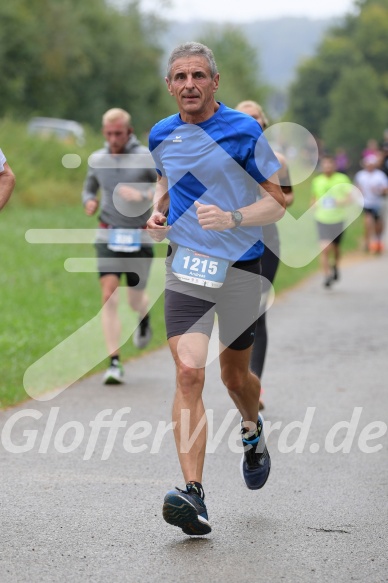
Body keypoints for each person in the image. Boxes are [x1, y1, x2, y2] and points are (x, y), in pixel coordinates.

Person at [147, 42, 286, 536]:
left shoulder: (245, 131)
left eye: (198, 76)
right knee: (188, 373)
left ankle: (252, 430)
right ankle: (193, 495)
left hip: (242, 267)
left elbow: (280, 200)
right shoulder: (161, 133)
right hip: (187, 264)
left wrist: (232, 217)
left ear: (215, 82)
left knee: (234, 377)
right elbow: (165, 179)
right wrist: (158, 210)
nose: (189, 85)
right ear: (169, 85)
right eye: (180, 76)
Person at [82, 108, 156, 384]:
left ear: (129, 131)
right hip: (108, 236)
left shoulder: (145, 157)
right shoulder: (98, 159)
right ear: (104, 133)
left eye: (119, 134)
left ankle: (143, 314)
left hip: (139, 235)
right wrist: (88, 201)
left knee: (134, 298)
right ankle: (114, 361)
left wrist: (142, 194)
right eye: (109, 134)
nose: (114, 139)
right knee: (108, 296)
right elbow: (88, 188)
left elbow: (165, 188)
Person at [235, 100, 294, 409]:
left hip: (267, 242)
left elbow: (289, 196)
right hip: (235, 241)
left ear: (264, 123)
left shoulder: (278, 160)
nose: (251, 123)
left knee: (258, 312)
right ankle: (240, 379)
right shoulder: (226, 157)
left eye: (256, 118)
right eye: (244, 118)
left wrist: (269, 197)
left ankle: (253, 384)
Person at [311, 155, 352, 287]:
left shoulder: (342, 179)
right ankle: (327, 275)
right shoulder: (317, 181)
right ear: (322, 166)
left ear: (334, 166)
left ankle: (335, 266)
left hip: (338, 219)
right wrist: (313, 206)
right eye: (325, 164)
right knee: (324, 248)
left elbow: (350, 198)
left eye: (330, 164)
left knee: (336, 248)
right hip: (322, 218)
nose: (327, 167)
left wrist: (339, 201)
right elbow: (314, 198)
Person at [354, 154, 388, 253]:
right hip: (366, 202)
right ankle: (367, 243)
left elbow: (386, 189)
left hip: (377, 202)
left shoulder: (380, 175)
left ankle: (378, 240)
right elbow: (357, 187)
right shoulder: (360, 175)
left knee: (378, 223)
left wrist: (379, 190)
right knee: (367, 223)